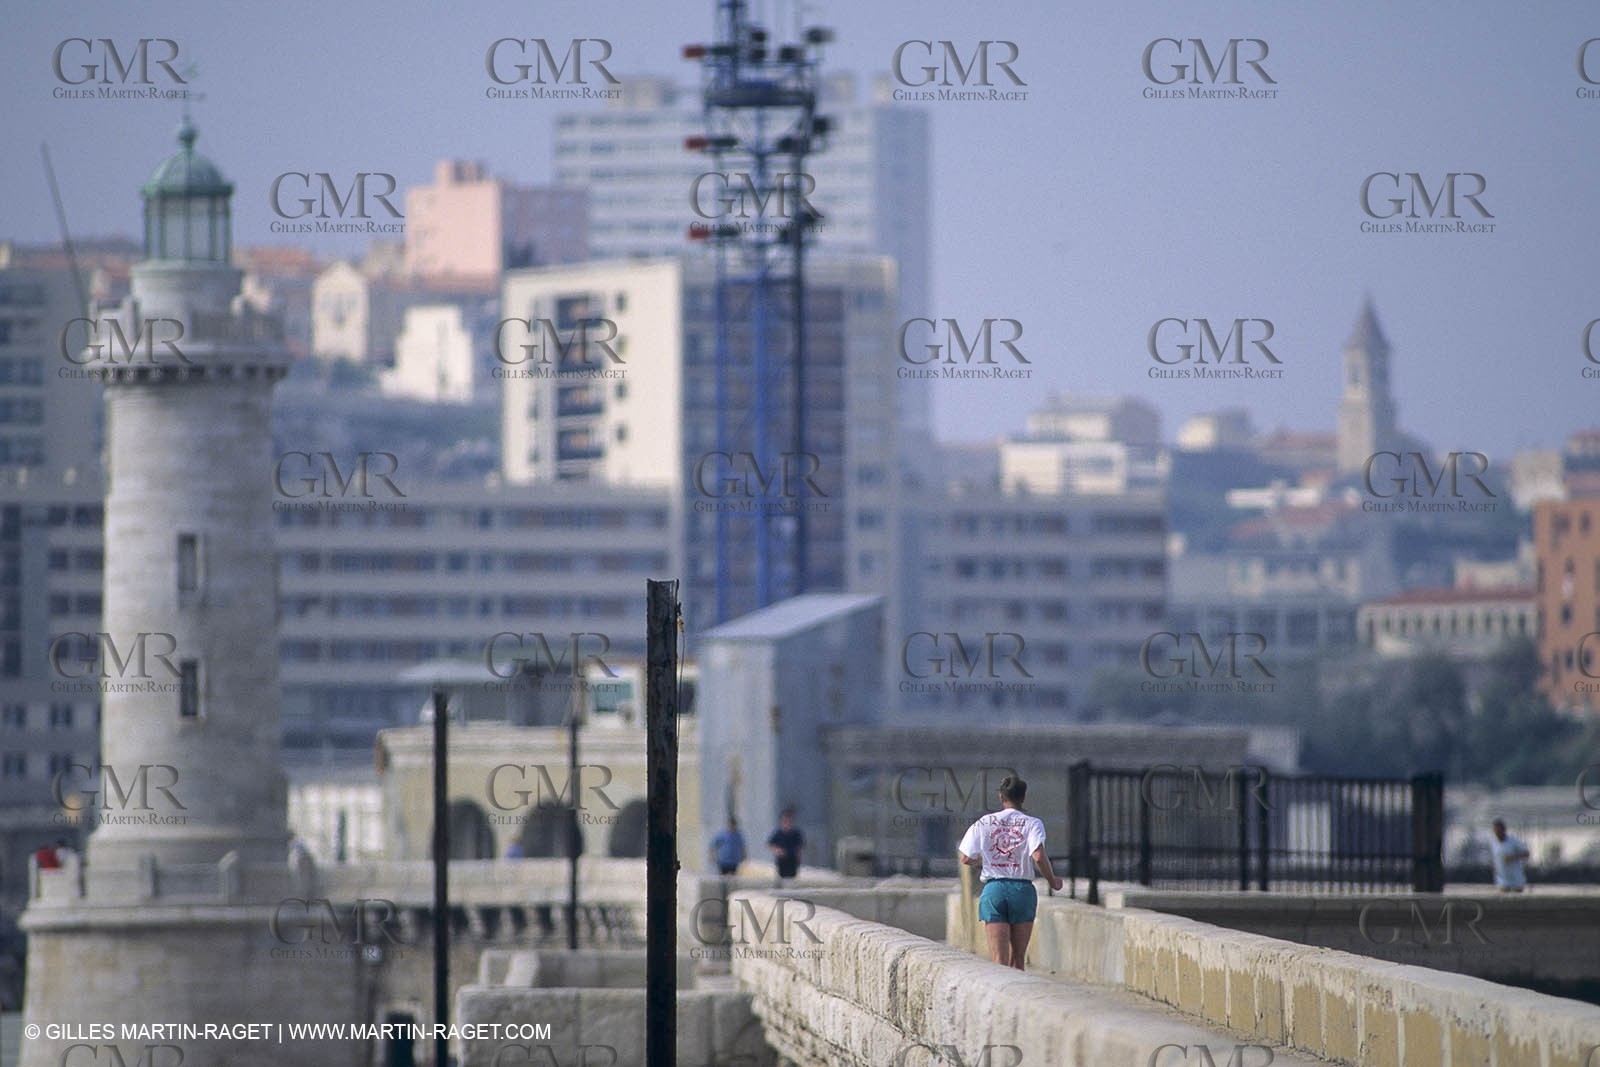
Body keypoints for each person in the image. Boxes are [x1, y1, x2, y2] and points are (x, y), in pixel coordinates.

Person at [957, 775, 1063, 971]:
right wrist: (1053, 880)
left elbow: (965, 857)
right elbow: (1038, 856)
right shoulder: (1033, 823)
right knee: (1018, 959)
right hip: (1021, 890)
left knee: (999, 961)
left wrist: (987, 861)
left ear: (1000, 797)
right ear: (1023, 798)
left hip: (994, 890)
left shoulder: (984, 822)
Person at [1490, 818, 1530, 892]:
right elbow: (1495, 857)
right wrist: (1494, 867)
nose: (1497, 833)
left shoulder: (1513, 841)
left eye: (1499, 830)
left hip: (1515, 876)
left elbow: (1526, 853)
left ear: (1503, 830)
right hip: (1502, 877)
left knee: (1517, 898)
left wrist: (1512, 858)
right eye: (1495, 831)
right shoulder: (1494, 842)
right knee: (1503, 899)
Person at [767, 809, 804, 883]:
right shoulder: (778, 833)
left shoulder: (796, 833)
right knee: (782, 879)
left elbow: (801, 846)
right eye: (785, 821)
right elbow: (770, 844)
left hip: (792, 860)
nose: (787, 823)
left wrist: (799, 854)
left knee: (792, 879)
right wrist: (777, 851)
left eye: (789, 821)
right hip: (782, 860)